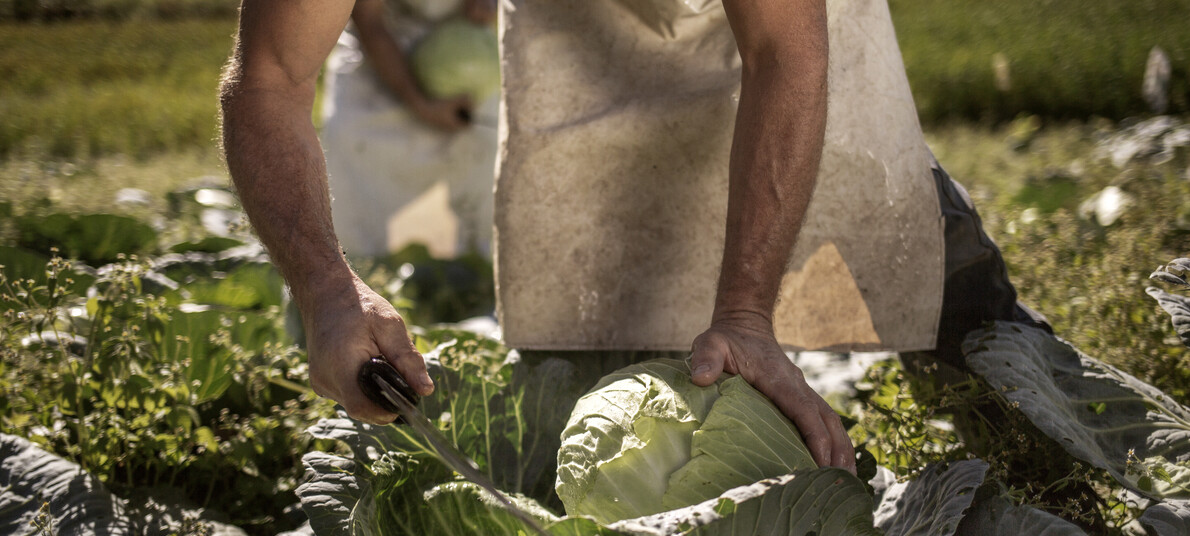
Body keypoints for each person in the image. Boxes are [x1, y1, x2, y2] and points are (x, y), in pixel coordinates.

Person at [219, 0, 1044, 476]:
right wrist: (329, 292)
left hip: (793, 47)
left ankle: (1063, 465)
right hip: (584, 61)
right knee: (625, 443)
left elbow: (784, 51)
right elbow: (269, 76)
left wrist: (747, 313)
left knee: (932, 284)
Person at [320, 0, 498, 258]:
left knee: (483, 158)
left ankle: (468, 278)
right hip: (379, 46)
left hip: (465, 47)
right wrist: (419, 103)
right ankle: (355, 274)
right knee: (350, 150)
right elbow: (369, 19)